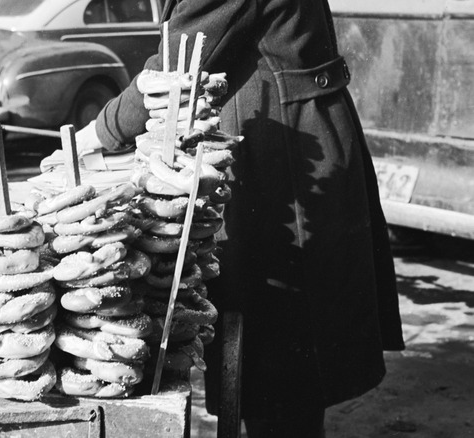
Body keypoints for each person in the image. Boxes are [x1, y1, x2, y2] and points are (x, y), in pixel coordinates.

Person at [74, 0, 405, 436]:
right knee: (279, 370)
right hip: (279, 139)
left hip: (285, 157)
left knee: (281, 364)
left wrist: (97, 133)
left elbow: (177, 62)